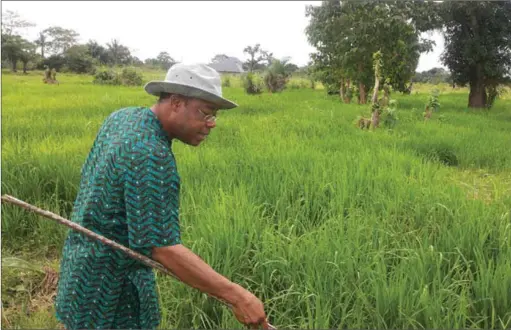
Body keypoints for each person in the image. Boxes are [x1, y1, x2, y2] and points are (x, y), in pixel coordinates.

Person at [55, 63, 270, 329]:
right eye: (205, 113)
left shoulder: (123, 118)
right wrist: (238, 296)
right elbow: (163, 248)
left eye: (214, 115)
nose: (211, 123)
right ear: (177, 102)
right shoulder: (150, 154)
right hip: (112, 294)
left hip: (79, 273)